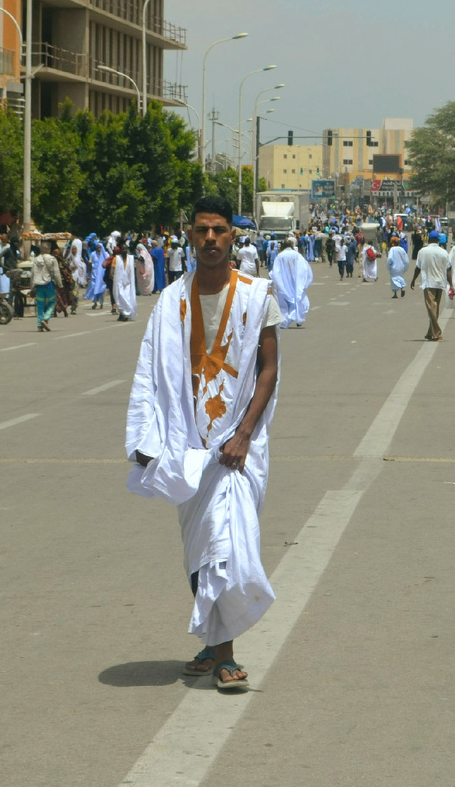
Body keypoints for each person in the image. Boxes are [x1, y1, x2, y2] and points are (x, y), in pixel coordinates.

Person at [126, 195, 282, 691]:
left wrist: (242, 434)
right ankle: (217, 647)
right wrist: (145, 440)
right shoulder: (169, 301)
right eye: (201, 230)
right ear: (189, 236)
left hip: (238, 447)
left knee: (228, 548)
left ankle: (224, 654)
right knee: (200, 549)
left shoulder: (259, 295)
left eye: (219, 230)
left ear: (233, 235)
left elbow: (269, 369)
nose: (210, 238)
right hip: (186, 445)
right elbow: (149, 375)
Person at [411, 231, 452, 341]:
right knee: (435, 308)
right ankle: (430, 333)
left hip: (429, 282)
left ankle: (437, 333)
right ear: (438, 240)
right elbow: (448, 270)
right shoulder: (444, 252)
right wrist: (451, 284)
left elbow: (418, 268)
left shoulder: (423, 251)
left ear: (429, 239)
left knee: (431, 308)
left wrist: (413, 279)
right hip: (440, 282)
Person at [270, 237, 313, 328]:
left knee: (283, 303)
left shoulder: (280, 256)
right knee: (297, 299)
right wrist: (304, 281)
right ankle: (298, 318)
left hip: (283, 283)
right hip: (296, 282)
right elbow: (304, 269)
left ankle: (285, 321)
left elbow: (275, 271)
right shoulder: (297, 255)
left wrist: (276, 281)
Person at [31, 241, 63, 332]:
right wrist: (60, 284)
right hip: (49, 285)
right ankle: (45, 319)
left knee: (40, 305)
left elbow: (33, 274)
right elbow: (56, 274)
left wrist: (32, 287)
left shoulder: (36, 259)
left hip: (39, 286)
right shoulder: (52, 259)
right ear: (49, 249)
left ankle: (39, 325)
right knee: (52, 302)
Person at [113, 245, 137, 322]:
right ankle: (123, 313)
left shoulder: (131, 259)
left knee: (127, 298)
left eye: (126, 249)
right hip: (119, 282)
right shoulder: (117, 259)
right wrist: (111, 274)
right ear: (120, 250)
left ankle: (124, 314)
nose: (124, 250)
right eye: (123, 249)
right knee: (120, 297)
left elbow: (133, 269)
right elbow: (112, 268)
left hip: (128, 283)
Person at [86, 241, 108, 309]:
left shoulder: (106, 255)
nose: (98, 249)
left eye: (100, 247)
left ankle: (101, 303)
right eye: (97, 247)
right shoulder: (93, 254)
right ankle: (95, 302)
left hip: (102, 276)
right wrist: (89, 274)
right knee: (93, 288)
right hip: (94, 275)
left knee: (101, 290)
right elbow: (90, 264)